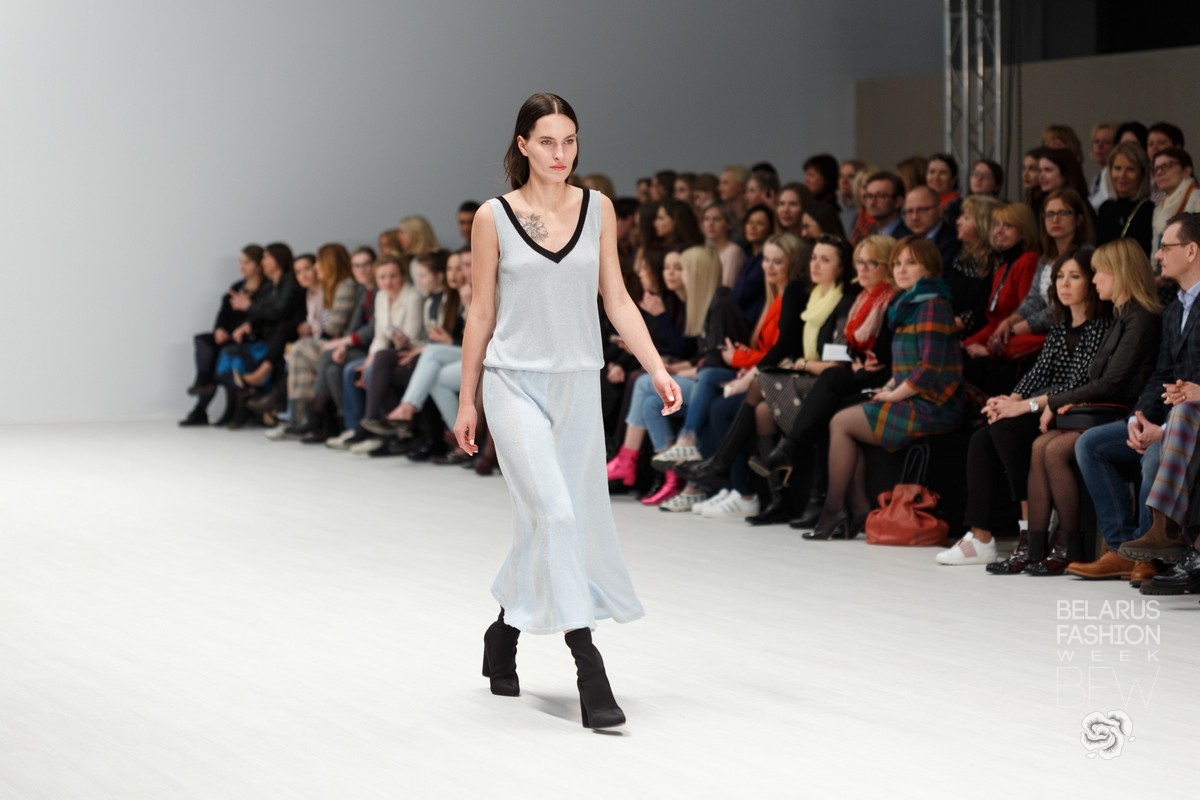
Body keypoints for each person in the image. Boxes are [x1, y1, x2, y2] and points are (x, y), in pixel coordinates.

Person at [456, 93, 681, 729]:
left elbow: (618, 298)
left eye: (570, 141)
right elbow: (481, 311)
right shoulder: (493, 217)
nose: (561, 154)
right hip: (513, 384)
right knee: (556, 514)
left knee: (553, 522)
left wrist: (657, 367)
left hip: (578, 385)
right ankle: (589, 665)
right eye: (548, 142)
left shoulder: (598, 208)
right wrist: (469, 398)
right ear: (523, 145)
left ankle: (503, 633)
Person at [934, 248, 1112, 566]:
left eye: (1074, 276)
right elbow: (1037, 374)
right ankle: (981, 536)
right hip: (1044, 408)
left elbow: (1076, 384)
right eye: (1060, 276)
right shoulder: (1060, 328)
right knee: (982, 437)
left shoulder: (1100, 328)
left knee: (1006, 430)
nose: (1064, 284)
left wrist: (1023, 406)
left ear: (1091, 282)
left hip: (1071, 413)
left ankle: (1031, 529)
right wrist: (1009, 400)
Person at [808, 237, 963, 540]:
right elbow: (905, 366)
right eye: (897, 263)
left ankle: (837, 510)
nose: (901, 270)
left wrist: (893, 394)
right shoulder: (909, 304)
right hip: (914, 396)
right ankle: (854, 510)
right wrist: (888, 387)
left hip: (934, 405)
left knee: (842, 422)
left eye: (911, 263)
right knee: (843, 418)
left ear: (930, 268)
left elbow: (929, 368)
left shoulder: (932, 305)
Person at [1074, 215, 1200, 576]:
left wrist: (1165, 428)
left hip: (1190, 421)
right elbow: (1161, 374)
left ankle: (1150, 553)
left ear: (1191, 251)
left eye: (1166, 247)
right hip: (1169, 417)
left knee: (1153, 456)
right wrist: (1138, 418)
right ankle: (1122, 548)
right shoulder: (1174, 308)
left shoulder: (1153, 313)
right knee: (1090, 444)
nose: (1158, 255)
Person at [181, 245, 264, 426]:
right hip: (230, 336)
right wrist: (219, 328)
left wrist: (247, 307)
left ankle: (210, 404)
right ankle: (203, 384)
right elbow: (223, 313)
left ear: (259, 265)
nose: (242, 267)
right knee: (204, 342)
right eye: (240, 262)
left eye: (247, 262)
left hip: (250, 338)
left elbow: (263, 317)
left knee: (223, 354)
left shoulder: (265, 289)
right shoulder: (236, 287)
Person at [1096, 141, 1153, 255]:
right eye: (1117, 168)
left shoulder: (1148, 210)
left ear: (1142, 174)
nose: (1122, 175)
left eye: (1130, 169)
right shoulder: (1105, 208)